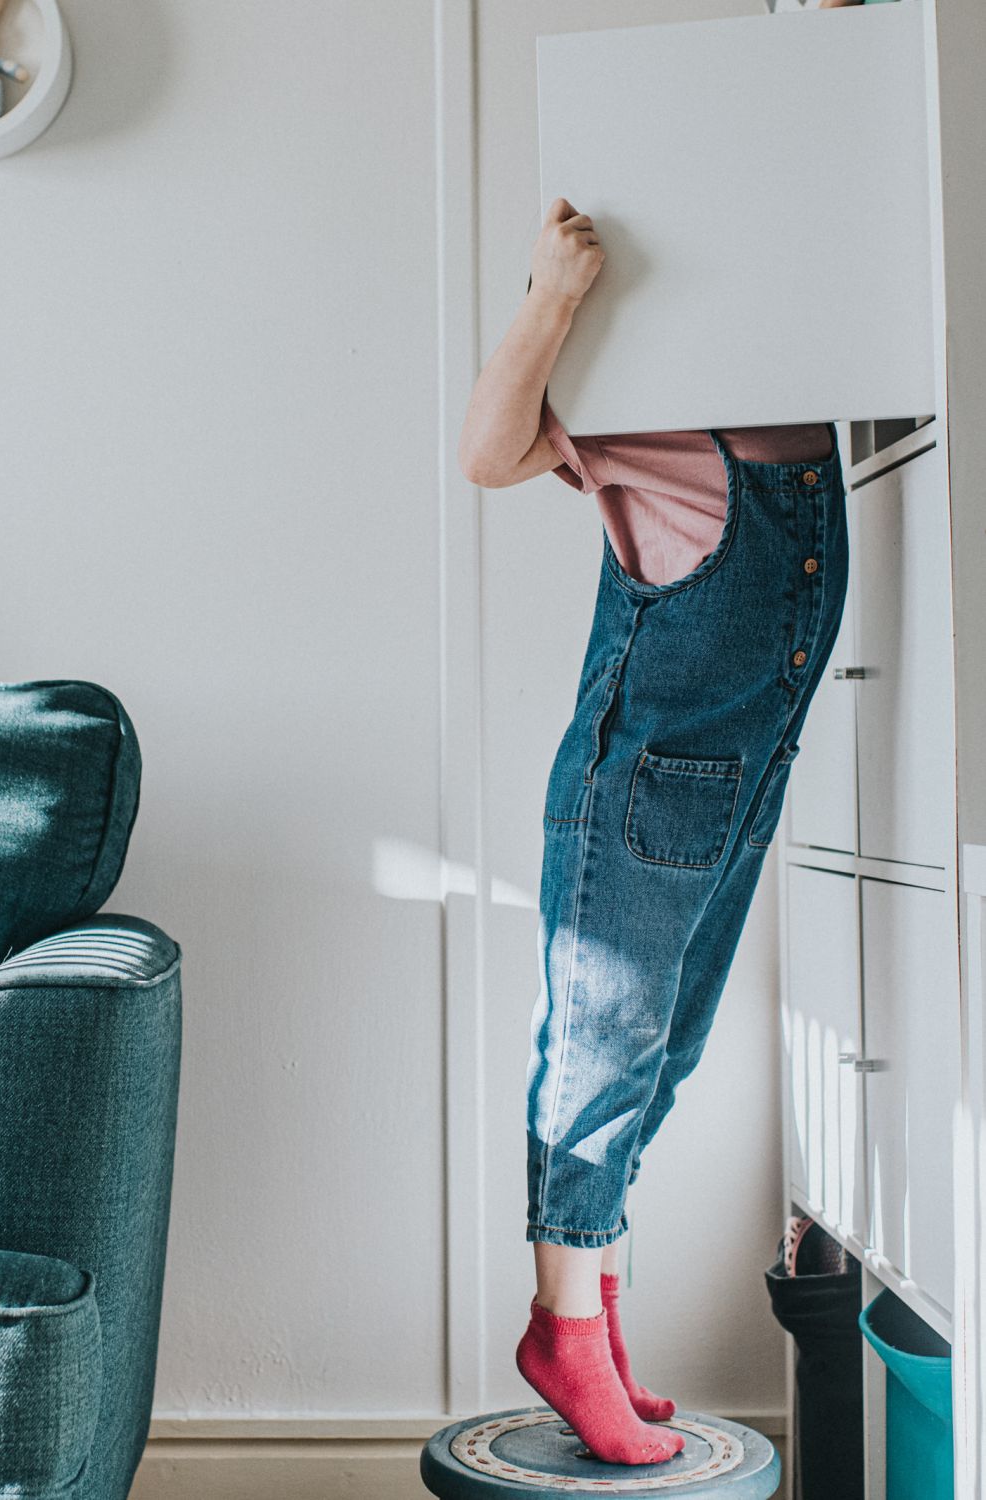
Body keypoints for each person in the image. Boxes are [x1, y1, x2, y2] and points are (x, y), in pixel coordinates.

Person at [457, 185, 850, 1465]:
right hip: (639, 793)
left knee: (659, 1060)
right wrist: (555, 294)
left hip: (735, 791)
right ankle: (565, 1335)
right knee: (599, 1051)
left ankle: (601, 1318)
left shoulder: (794, 384)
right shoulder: (640, 400)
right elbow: (486, 449)